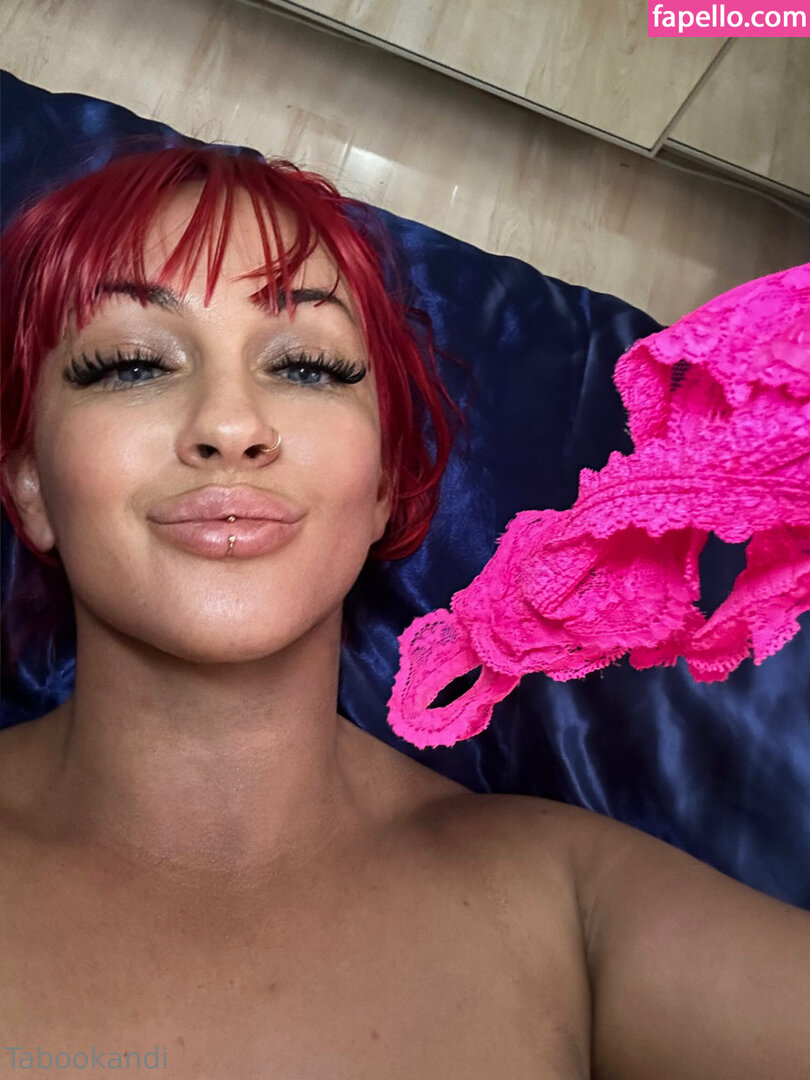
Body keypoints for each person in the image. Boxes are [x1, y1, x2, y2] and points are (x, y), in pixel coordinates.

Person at [0, 145, 807, 1080]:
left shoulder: (572, 905)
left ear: (386, 484)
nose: (229, 424)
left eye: (308, 367)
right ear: (29, 486)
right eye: (132, 363)